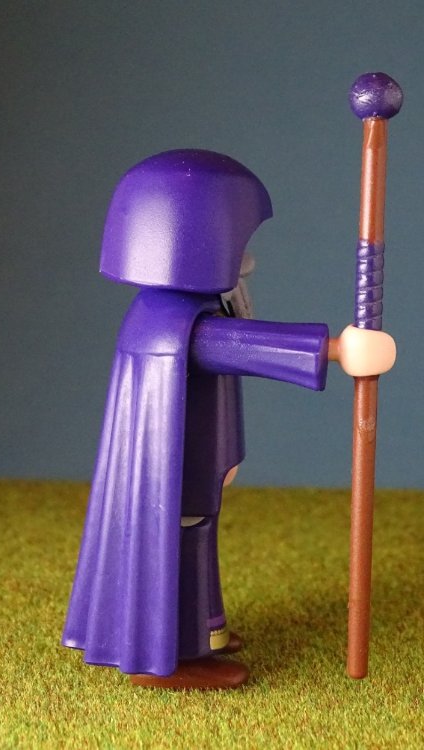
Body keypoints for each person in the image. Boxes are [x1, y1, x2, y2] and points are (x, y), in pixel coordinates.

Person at [62, 149, 395, 689]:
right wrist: (338, 350)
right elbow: (242, 346)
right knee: (183, 545)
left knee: (196, 538)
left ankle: (206, 631)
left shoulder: (168, 315)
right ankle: (177, 653)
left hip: (193, 458)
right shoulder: (179, 323)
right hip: (177, 467)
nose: (246, 259)